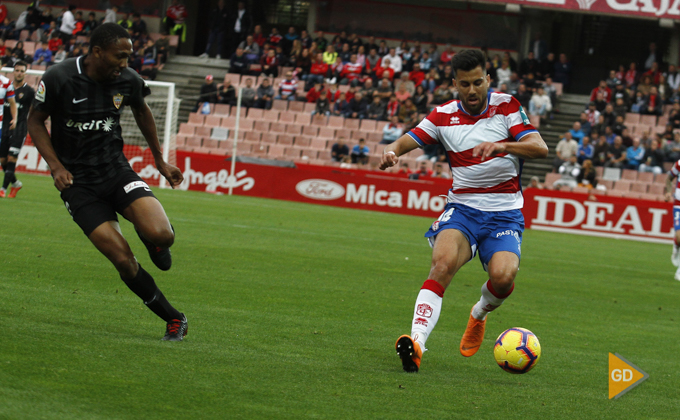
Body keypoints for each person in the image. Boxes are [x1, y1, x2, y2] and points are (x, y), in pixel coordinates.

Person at [380, 49, 547, 372]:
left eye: (477, 83)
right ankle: (416, 343)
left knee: (503, 277)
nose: (472, 91)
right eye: (464, 85)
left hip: (504, 213)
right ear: (455, 84)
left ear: (488, 80)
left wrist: (503, 145)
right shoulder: (442, 116)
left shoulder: (507, 107)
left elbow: (539, 147)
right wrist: (392, 151)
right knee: (441, 265)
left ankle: (479, 313)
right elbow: (406, 140)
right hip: (463, 210)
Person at [27, 23, 188, 340]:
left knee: (163, 235)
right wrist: (56, 166)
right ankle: (174, 318)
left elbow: (142, 111)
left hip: (116, 171)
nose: (125, 64)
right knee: (123, 261)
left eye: (129, 57)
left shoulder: (127, 80)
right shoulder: (59, 77)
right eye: (120, 56)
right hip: (78, 185)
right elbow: (34, 119)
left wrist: (159, 159)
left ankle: (151, 238)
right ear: (97, 52)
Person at [0, 61, 19, 198]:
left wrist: (15, 118)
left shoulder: (6, 83)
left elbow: (12, 103)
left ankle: (12, 184)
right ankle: (16, 183)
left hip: (0, 126)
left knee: (3, 159)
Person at [665, 162, 680, 280]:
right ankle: (676, 244)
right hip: (678, 206)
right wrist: (668, 192)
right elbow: (669, 178)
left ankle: (679, 272)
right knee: (679, 236)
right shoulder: (679, 164)